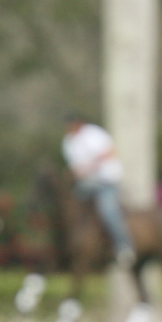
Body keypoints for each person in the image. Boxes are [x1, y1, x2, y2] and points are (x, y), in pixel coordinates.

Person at [61, 114, 136, 268]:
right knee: (70, 206)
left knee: (109, 211)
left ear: (78, 123)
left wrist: (91, 165)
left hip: (106, 181)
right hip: (87, 184)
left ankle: (124, 246)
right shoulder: (68, 142)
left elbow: (110, 152)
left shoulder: (94, 133)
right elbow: (75, 166)